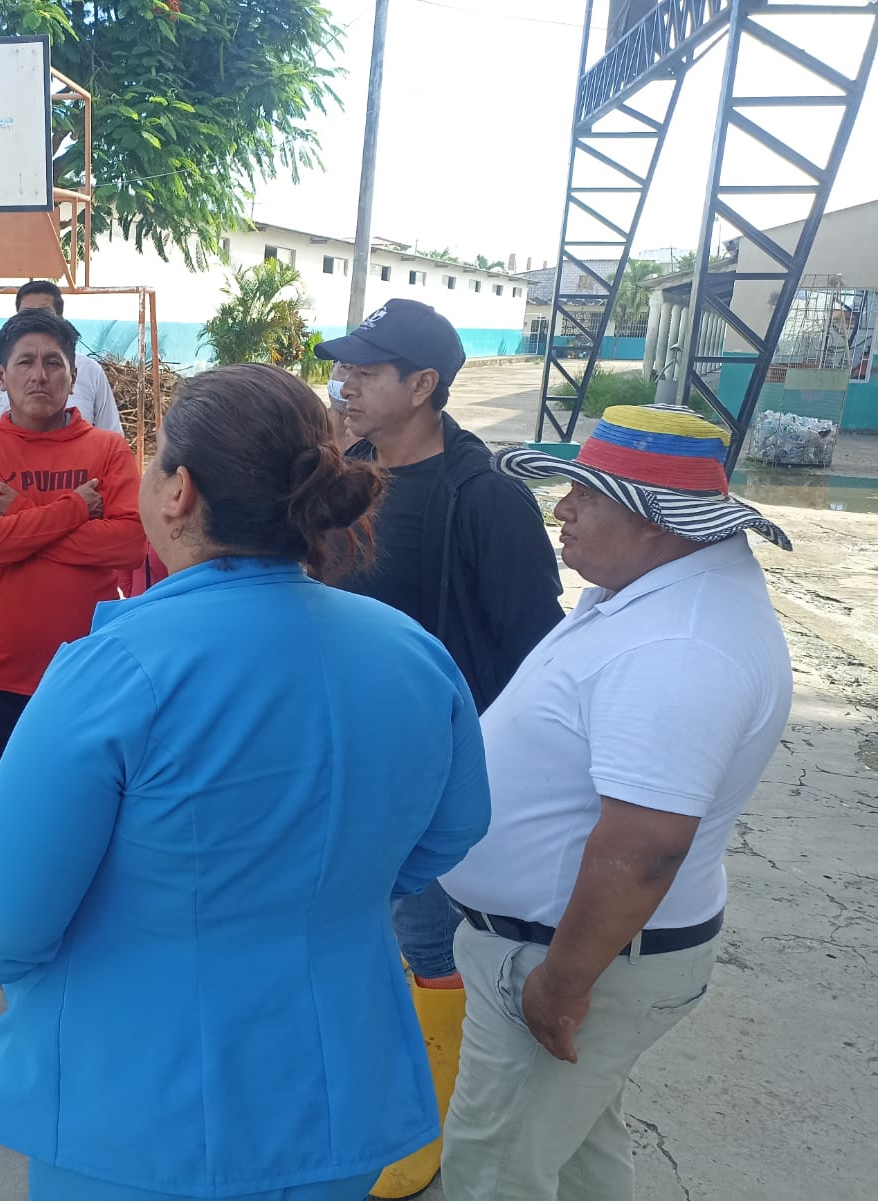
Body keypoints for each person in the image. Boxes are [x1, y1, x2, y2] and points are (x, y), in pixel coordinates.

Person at [0, 363, 493, 1201]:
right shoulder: (413, 652)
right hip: (341, 1094)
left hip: (144, 1117)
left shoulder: (114, 670)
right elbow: (451, 831)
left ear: (179, 491)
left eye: (154, 454)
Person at [438, 406, 793, 1201]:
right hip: (573, 949)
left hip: (572, 956)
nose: (561, 508)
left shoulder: (680, 644)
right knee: (575, 1157)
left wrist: (563, 983)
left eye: (586, 494)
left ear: (657, 518)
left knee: (494, 1174)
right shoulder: (652, 591)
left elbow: (644, 844)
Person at [315, 299, 563, 1198]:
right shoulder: (347, 475)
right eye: (343, 367)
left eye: (366, 371)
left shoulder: (486, 498)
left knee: (430, 939)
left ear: (422, 385)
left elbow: (538, 651)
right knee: (367, 931)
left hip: (433, 770)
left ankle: (427, 1121)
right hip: (343, 755)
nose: (344, 384)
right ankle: (385, 1087)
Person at [0, 306, 144, 1021]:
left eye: (53, 362)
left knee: (93, 820)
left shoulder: (109, 451)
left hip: (83, 675)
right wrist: (75, 509)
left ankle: (82, 949)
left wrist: (22, 521)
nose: (40, 374)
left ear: (74, 375)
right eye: (26, 362)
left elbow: (129, 542)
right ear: (2, 377)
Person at [0, 280, 124, 435]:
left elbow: (111, 432)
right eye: (26, 314)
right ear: (2, 377)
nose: (39, 376)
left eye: (43, 314)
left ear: (73, 378)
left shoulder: (91, 371)